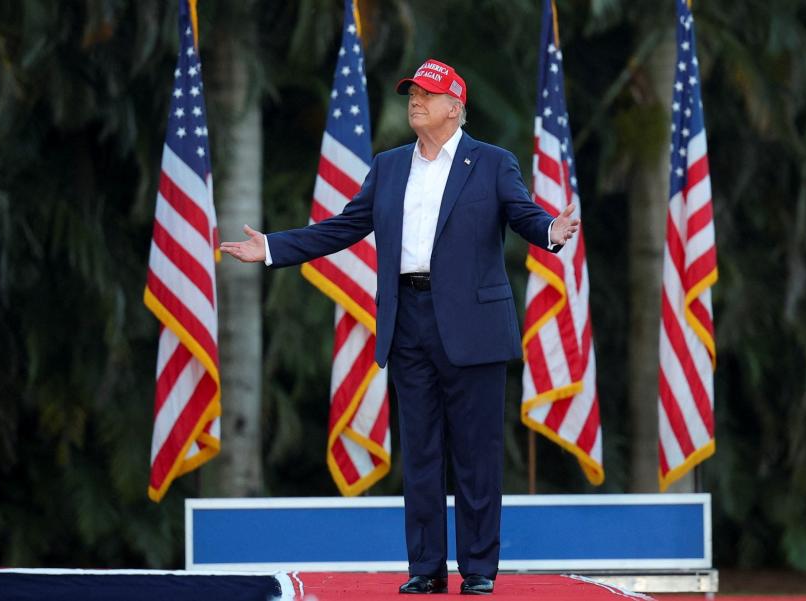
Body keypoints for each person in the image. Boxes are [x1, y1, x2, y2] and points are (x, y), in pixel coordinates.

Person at [221, 59, 578, 595]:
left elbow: (525, 215)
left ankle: (478, 570)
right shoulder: (388, 166)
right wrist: (272, 247)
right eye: (412, 92)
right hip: (406, 319)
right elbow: (342, 228)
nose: (416, 100)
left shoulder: (492, 163)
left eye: (428, 94)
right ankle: (426, 568)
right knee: (422, 451)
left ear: (455, 108)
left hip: (473, 325)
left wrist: (552, 228)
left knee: (477, 454)